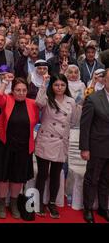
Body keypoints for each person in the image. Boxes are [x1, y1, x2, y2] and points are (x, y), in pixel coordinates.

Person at [0, 75, 39, 219]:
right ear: (13, 90)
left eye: (24, 90)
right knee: (3, 177)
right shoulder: (7, 100)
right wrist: (5, 82)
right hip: (5, 145)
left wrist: (44, 84)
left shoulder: (32, 103)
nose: (21, 93)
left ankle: (13, 203)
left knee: (18, 178)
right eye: (18, 90)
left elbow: (35, 120)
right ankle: (1, 204)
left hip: (24, 147)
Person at [34, 73, 78, 218]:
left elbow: (73, 122)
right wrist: (44, 83)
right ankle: (38, 202)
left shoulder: (71, 101)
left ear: (66, 86)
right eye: (56, 85)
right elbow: (38, 103)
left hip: (61, 142)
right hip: (46, 140)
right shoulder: (47, 99)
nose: (59, 88)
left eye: (62, 85)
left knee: (55, 175)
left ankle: (52, 203)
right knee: (42, 174)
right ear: (52, 87)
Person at [79, 68, 109, 223]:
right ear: (104, 80)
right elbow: (85, 126)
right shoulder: (93, 98)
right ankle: (88, 208)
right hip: (97, 146)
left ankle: (104, 207)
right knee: (92, 178)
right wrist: (84, 148)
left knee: (106, 179)